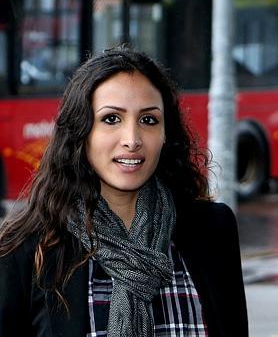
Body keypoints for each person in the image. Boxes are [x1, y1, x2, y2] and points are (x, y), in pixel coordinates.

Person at [0, 47, 248, 336]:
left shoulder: (212, 230)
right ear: (82, 130)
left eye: (148, 120)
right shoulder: (24, 251)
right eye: (111, 119)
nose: (132, 140)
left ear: (166, 134)